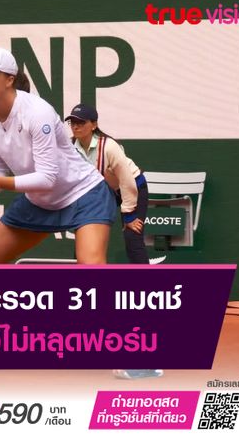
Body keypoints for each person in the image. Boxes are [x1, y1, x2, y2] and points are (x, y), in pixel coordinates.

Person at [0, 47, 116, 264]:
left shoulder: (37, 112)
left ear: (9, 79)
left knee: (91, 266)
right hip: (38, 200)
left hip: (83, 193)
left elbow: (46, 178)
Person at [66, 103, 162, 380]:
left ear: (94, 125)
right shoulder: (71, 147)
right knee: (91, 245)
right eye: (72, 122)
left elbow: (128, 182)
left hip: (132, 188)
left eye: (81, 122)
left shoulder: (109, 147)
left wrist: (128, 215)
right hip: (105, 193)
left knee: (132, 236)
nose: (76, 126)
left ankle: (147, 293)